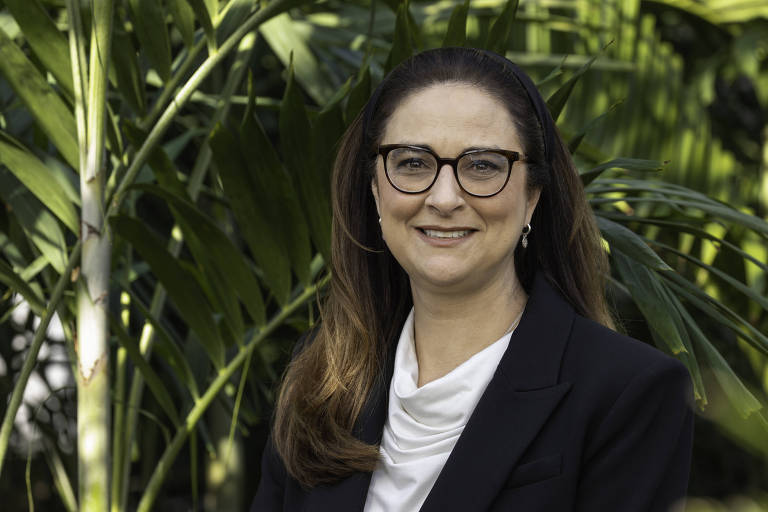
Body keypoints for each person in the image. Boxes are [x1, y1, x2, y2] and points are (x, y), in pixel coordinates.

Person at [251, 47, 694, 511]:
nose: (444, 198)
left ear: (532, 197)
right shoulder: (324, 377)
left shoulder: (628, 393)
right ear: (376, 190)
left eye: (482, 165)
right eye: (412, 163)